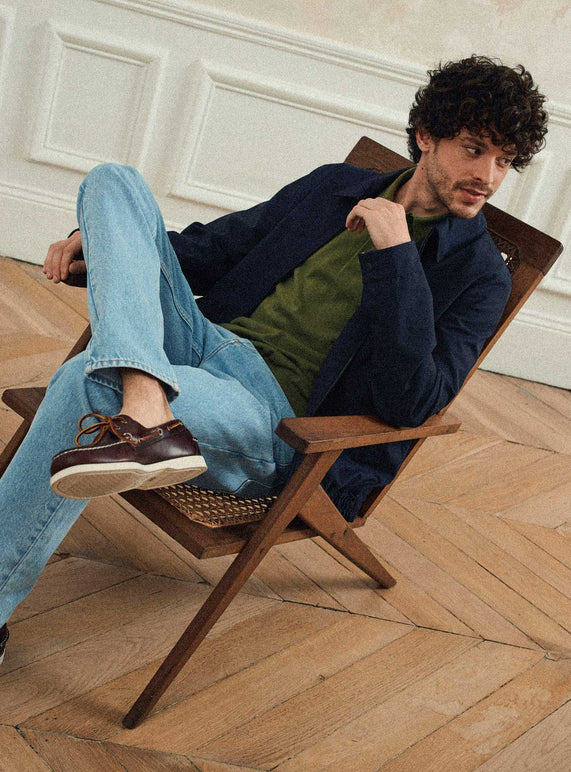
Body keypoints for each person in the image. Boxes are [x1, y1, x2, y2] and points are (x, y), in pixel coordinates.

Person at [0, 55, 548, 663]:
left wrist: (396, 255)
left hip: (272, 419)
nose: (487, 176)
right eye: (473, 149)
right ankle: (147, 401)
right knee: (112, 182)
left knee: (86, 382)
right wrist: (107, 246)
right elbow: (215, 250)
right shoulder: (334, 187)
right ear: (426, 136)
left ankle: (135, 403)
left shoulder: (478, 276)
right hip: (206, 343)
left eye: (505, 161)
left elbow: (412, 401)